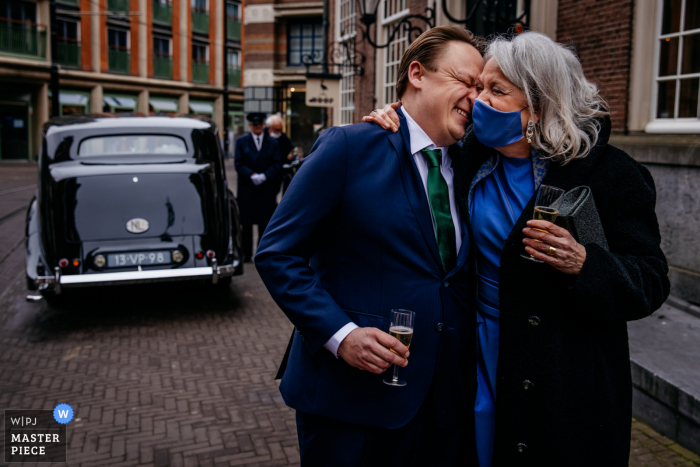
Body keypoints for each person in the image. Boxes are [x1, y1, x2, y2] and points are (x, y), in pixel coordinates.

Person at [364, 31, 670, 466]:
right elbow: (422, 137)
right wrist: (392, 118)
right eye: (476, 86)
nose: (477, 99)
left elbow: (652, 281)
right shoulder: (469, 156)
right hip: (478, 348)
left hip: (562, 370)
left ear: (539, 105)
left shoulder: (611, 173)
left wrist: (585, 263)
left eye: (495, 90)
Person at [254, 26, 484, 466]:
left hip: (443, 409)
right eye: (465, 82)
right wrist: (341, 336)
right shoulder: (350, 148)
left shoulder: (472, 164)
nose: (476, 96)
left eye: (482, 87)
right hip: (352, 407)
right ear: (417, 74)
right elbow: (277, 253)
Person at [234, 112, 283, 262]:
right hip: (247, 188)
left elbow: (277, 164)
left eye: (260, 125)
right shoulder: (241, 141)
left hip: (265, 189)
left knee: (264, 224)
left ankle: (261, 253)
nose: (257, 127)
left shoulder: (273, 143)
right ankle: (246, 254)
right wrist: (251, 175)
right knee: (246, 224)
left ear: (263, 125)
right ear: (250, 125)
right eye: (255, 125)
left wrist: (265, 176)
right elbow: (238, 163)